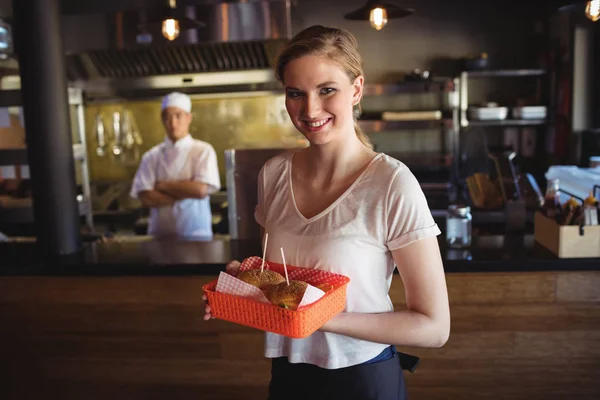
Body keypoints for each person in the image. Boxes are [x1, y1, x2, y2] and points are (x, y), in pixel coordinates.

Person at [204, 25, 450, 399]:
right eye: (295, 93)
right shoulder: (273, 174)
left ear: (356, 89)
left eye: (326, 90)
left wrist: (324, 319)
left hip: (362, 378)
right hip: (289, 375)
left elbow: (434, 328)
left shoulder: (390, 183)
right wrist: (245, 287)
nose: (310, 109)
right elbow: (282, 279)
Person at [130, 92, 221, 238]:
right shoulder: (151, 156)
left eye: (178, 115)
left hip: (197, 236)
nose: (173, 123)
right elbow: (146, 197)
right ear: (162, 119)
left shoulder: (203, 150)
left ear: (188, 117)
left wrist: (162, 186)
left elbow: (200, 191)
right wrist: (185, 193)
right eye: (167, 117)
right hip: (160, 237)